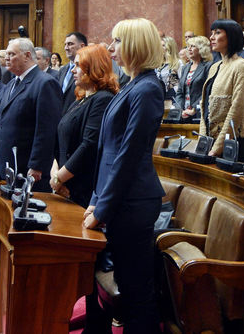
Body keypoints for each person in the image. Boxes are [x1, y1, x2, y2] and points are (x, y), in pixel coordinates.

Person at [84, 19, 165, 333]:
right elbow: (108, 153)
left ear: (135, 46)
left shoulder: (147, 89)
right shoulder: (132, 85)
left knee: (136, 289)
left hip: (133, 203)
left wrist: (102, 209)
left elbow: (128, 156)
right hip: (122, 200)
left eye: (117, 41)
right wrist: (96, 201)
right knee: (128, 285)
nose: (111, 47)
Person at [52, 44, 118, 207]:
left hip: (82, 188)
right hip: (64, 184)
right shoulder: (80, 99)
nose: (73, 70)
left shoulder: (103, 99)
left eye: (77, 65)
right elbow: (59, 142)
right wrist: (55, 176)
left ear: (93, 68)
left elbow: (89, 145)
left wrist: (59, 178)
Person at [0, 38, 60, 190]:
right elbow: (1, 125)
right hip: (6, 167)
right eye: (6, 54)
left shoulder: (44, 83)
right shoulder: (9, 85)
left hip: (28, 169)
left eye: (11, 54)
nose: (6, 58)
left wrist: (37, 165)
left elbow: (46, 129)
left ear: (27, 55)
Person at [199, 19, 244, 156]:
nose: (211, 37)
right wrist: (203, 141)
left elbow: (237, 109)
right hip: (210, 140)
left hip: (231, 143)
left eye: (217, 33)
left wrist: (217, 148)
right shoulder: (214, 67)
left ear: (231, 36)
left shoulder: (242, 65)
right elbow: (205, 107)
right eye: (211, 33)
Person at [175, 36, 210, 122]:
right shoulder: (185, 68)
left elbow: (207, 91)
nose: (189, 49)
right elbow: (180, 91)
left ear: (202, 49)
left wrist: (194, 109)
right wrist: (180, 109)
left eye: (193, 46)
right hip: (184, 113)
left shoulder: (208, 66)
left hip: (199, 112)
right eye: (188, 46)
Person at [58, 32, 88, 112]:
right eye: (65, 44)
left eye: (70, 44)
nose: (66, 48)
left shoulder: (87, 69)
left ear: (82, 46)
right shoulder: (62, 70)